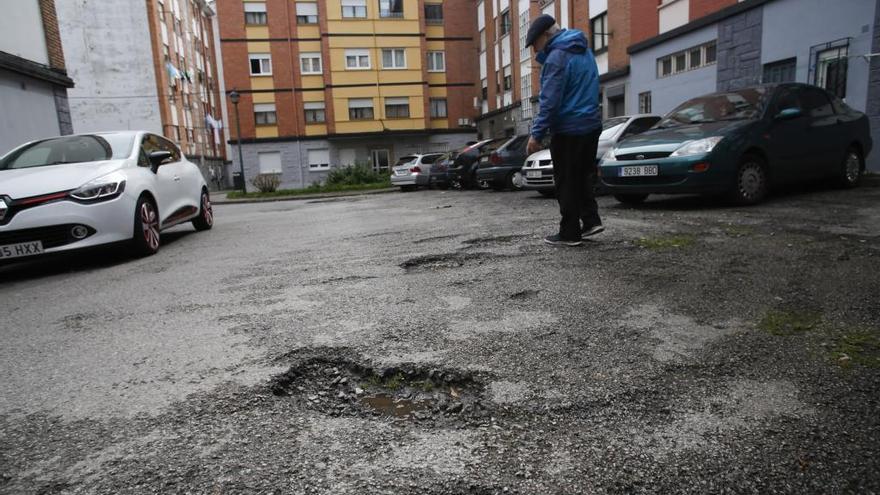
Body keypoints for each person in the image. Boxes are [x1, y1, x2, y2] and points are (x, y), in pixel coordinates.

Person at [525, 15, 603, 247]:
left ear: (546, 35)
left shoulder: (557, 57)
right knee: (582, 176)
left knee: (566, 181)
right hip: (591, 124)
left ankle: (569, 233)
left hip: (569, 128)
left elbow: (550, 100)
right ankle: (590, 221)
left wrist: (537, 133)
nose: (534, 49)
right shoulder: (583, 50)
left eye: (535, 43)